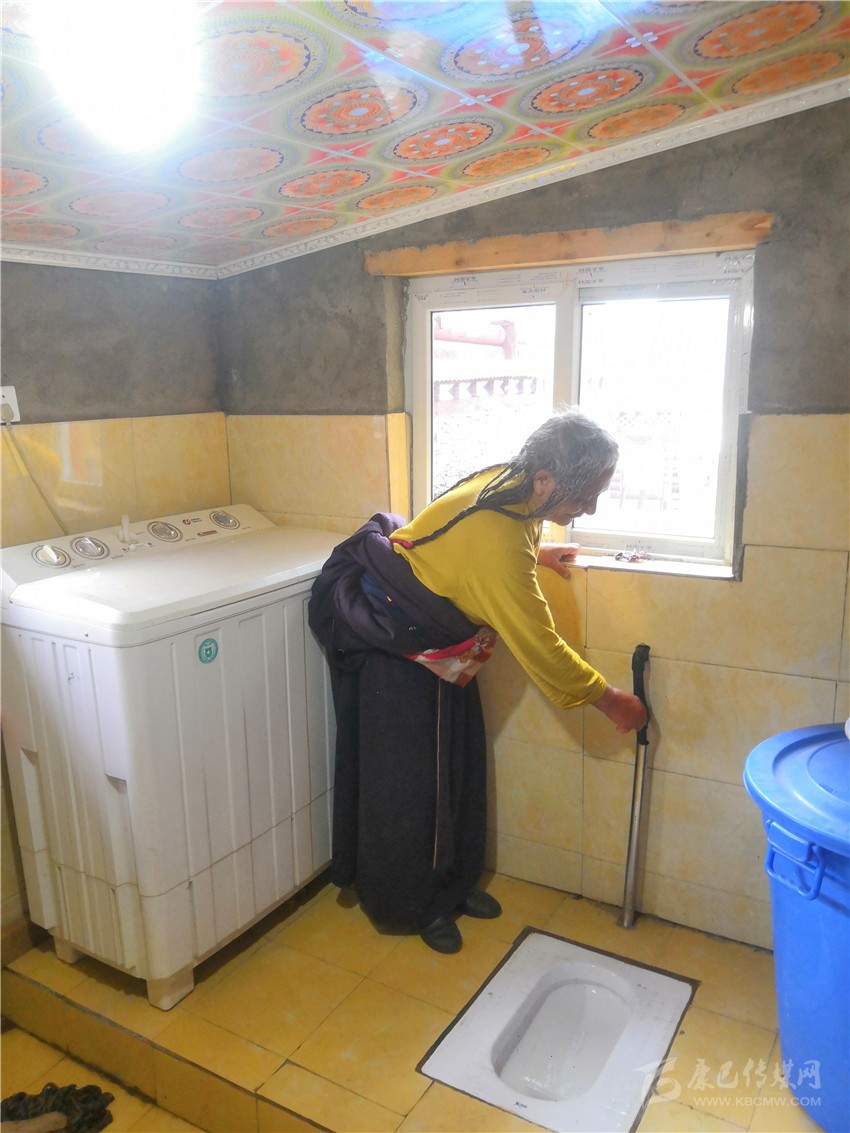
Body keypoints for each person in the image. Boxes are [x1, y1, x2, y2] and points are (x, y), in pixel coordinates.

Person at [308, 409, 646, 954]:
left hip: (435, 645)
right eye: (585, 496)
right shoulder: (502, 538)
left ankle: (451, 885)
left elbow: (465, 541)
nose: (589, 509)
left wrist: (538, 553)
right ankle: (410, 904)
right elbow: (540, 645)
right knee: (409, 788)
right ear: (545, 480)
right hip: (398, 652)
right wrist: (608, 700)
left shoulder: (512, 483)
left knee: (456, 767)